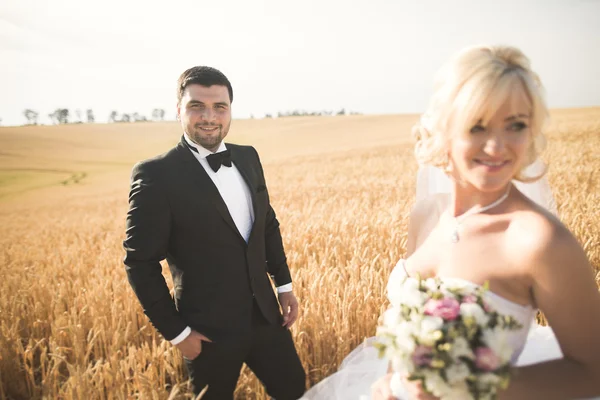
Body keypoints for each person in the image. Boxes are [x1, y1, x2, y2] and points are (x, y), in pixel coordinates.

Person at [302, 45, 600, 399]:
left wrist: (460, 386)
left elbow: (591, 372)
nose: (497, 146)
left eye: (516, 125)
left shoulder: (538, 240)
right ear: (444, 130)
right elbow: (410, 324)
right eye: (478, 126)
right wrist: (392, 381)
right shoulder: (426, 215)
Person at [123, 66, 306, 399]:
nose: (209, 116)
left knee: (295, 391)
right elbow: (139, 262)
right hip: (207, 334)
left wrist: (284, 285)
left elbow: (267, 224)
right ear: (179, 110)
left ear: (230, 110)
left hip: (267, 320)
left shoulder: (248, 157)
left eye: (219, 107)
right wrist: (178, 334)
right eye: (197, 106)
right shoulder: (156, 175)